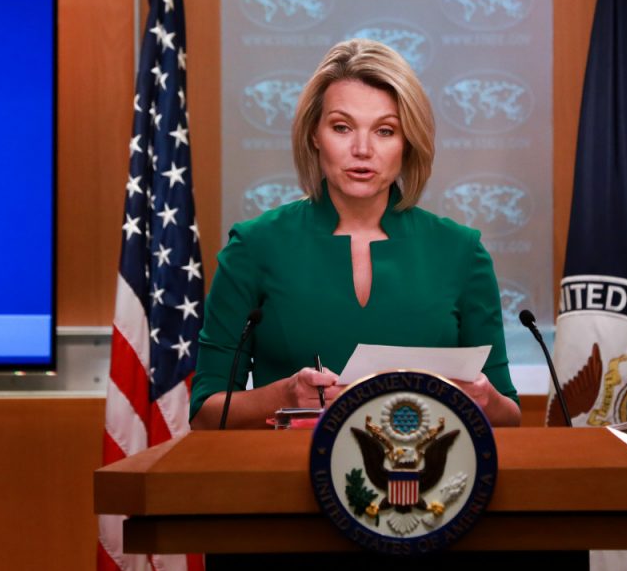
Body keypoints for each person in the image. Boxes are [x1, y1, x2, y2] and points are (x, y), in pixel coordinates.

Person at [189, 38, 520, 429]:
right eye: (342, 127)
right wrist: (284, 396)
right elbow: (204, 413)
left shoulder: (462, 252)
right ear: (314, 134)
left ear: (408, 143)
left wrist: (485, 398)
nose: (362, 149)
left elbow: (509, 416)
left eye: (384, 131)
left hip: (428, 479)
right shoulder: (254, 246)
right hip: (287, 478)